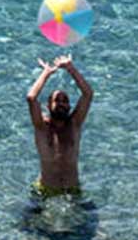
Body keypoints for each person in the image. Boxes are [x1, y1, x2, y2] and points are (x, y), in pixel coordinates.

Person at [26, 55, 92, 197]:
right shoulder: (42, 126)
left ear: (69, 106)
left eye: (65, 100)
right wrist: (46, 73)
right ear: (48, 106)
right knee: (27, 219)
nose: (62, 103)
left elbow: (88, 94)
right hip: (45, 189)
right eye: (57, 100)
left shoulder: (74, 124)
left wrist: (70, 68)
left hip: (72, 189)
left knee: (90, 219)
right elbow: (31, 98)